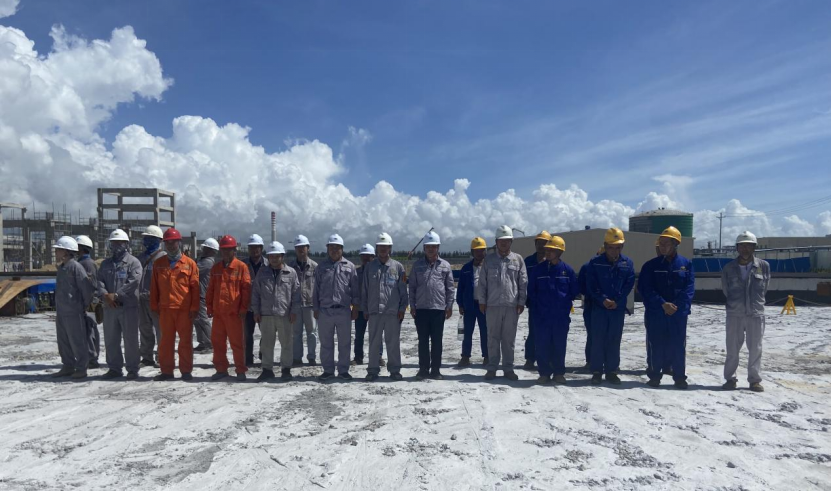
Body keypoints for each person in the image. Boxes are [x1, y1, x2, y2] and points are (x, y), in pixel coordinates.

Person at [638, 227, 695, 390]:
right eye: (661, 244)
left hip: (678, 313)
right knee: (656, 344)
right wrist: (662, 304)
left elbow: (689, 289)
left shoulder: (685, 265)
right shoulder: (650, 266)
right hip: (657, 312)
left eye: (666, 243)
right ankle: (655, 375)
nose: (663, 247)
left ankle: (679, 377)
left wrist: (675, 306)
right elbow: (645, 289)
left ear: (676, 244)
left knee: (678, 345)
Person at [721, 231, 770, 393]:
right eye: (742, 245)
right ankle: (730, 379)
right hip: (734, 313)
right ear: (737, 248)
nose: (745, 249)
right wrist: (737, 304)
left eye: (749, 245)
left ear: (754, 247)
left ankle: (754, 380)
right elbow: (726, 289)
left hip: (755, 313)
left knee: (755, 348)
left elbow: (765, 288)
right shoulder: (729, 268)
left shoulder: (763, 266)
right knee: (732, 348)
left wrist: (754, 304)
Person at [477, 225, 528, 382]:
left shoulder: (518, 260)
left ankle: (508, 368)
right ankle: (492, 368)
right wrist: (482, 301)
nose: (504, 243)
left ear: (511, 241)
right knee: (492, 338)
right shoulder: (489, 260)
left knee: (508, 339)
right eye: (501, 240)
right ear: (496, 242)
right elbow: (482, 283)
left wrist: (521, 302)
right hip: (492, 306)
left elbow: (523, 282)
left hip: (511, 306)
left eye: (507, 240)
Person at [586, 228, 635, 386]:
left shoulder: (627, 263)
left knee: (614, 339)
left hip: (617, 309)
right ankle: (596, 372)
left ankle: (612, 371)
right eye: (611, 247)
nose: (615, 251)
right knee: (598, 339)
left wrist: (617, 301)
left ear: (622, 247)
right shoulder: (595, 263)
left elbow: (629, 284)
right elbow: (591, 285)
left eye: (618, 247)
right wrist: (602, 299)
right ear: (605, 246)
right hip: (599, 308)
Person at [527, 236, 579, 385]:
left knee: (559, 345)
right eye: (547, 250)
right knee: (542, 344)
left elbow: (574, 291)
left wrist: (563, 306)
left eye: (552, 250)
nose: (548, 252)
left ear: (560, 252)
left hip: (560, 317)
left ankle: (558, 373)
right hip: (541, 316)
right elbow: (531, 291)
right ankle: (544, 373)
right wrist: (538, 307)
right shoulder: (538, 270)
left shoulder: (567, 270)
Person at [150, 228, 200, 381]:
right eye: (168, 242)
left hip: (184, 310)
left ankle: (186, 371)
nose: (171, 245)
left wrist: (194, 307)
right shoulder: (158, 264)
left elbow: (195, 288)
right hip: (165, 310)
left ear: (179, 242)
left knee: (185, 341)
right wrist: (154, 306)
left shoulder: (190, 264)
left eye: (173, 242)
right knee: (165, 342)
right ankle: (167, 371)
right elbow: (154, 287)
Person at [409, 231, 455, 380]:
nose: (430, 249)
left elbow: (450, 288)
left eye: (433, 246)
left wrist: (449, 306)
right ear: (424, 248)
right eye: (428, 246)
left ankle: (435, 370)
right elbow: (412, 288)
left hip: (438, 309)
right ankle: (423, 369)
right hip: (421, 309)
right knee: (422, 341)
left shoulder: (445, 266)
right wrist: (412, 306)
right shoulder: (417, 266)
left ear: (438, 247)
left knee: (437, 341)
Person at [361, 233, 408, 382]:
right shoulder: (370, 267)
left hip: (392, 312)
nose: (383, 249)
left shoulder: (398, 267)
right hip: (374, 312)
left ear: (390, 248)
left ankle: (395, 370)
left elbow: (403, 290)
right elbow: (365, 290)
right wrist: (365, 309)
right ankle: (372, 370)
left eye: (385, 246)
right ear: (376, 248)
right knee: (374, 342)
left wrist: (402, 308)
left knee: (393, 343)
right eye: (380, 246)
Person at [313, 234, 360, 381]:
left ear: (342, 249)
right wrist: (316, 308)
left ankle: (343, 370)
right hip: (325, 310)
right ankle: (328, 370)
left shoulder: (350, 267)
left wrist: (355, 308)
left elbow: (355, 290)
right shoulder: (321, 267)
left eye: (337, 247)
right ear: (327, 249)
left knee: (344, 343)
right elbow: (316, 289)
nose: (334, 250)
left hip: (343, 310)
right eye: (331, 247)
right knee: (326, 343)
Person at [252, 241, 301, 381]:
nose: (273, 259)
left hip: (284, 314)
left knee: (287, 343)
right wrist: (256, 311)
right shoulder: (262, 272)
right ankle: (267, 369)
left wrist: (294, 311)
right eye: (271, 256)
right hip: (266, 314)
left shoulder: (291, 273)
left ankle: (286, 370)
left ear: (282, 256)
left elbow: (296, 294)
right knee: (266, 344)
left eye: (276, 256)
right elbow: (255, 293)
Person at [97, 229, 143, 380]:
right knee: (111, 339)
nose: (116, 246)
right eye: (114, 243)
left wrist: (116, 295)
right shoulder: (105, 264)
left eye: (120, 243)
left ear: (127, 244)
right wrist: (105, 295)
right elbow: (99, 281)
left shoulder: (133, 263)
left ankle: (132, 369)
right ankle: (114, 368)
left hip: (128, 307)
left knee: (130, 340)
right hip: (110, 308)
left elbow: (133, 282)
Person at [207, 235, 253, 382]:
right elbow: (211, 289)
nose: (226, 252)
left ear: (234, 250)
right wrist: (209, 307)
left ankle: (240, 370)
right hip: (218, 313)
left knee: (237, 344)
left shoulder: (241, 267)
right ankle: (221, 369)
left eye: (229, 249)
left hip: (234, 314)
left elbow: (246, 289)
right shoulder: (216, 268)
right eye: (223, 250)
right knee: (218, 343)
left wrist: (243, 308)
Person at [52, 237, 95, 379]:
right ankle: (68, 366)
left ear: (66, 251)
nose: (56, 252)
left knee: (77, 341)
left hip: (74, 312)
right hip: (62, 311)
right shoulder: (62, 268)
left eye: (58, 249)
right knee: (63, 341)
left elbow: (86, 289)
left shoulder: (76, 267)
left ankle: (81, 368)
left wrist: (83, 306)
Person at [456, 237, 489, 367]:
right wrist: (460, 304)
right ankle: (465, 356)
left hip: (484, 306)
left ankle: (487, 356)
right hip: (469, 305)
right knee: (467, 332)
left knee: (485, 332)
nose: (479, 253)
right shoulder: (466, 268)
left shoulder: (489, 267)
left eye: (481, 250)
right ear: (472, 252)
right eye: (476, 251)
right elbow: (461, 288)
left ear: (485, 251)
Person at [138, 225, 167, 368]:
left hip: (157, 300)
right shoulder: (140, 258)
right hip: (141, 299)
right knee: (145, 329)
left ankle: (162, 357)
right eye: (146, 238)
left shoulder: (164, 258)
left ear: (159, 241)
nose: (147, 241)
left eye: (151, 238)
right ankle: (146, 357)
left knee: (161, 330)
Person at [288, 235, 318, 367]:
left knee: (312, 333)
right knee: (296, 334)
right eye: (298, 247)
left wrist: (317, 306)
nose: (301, 249)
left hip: (310, 305)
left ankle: (311, 357)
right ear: (295, 249)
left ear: (308, 248)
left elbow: (319, 287)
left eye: (303, 247)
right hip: (295, 305)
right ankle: (297, 358)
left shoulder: (315, 267)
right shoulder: (290, 267)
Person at [523, 231, 552, 370]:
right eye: (539, 243)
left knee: (550, 333)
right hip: (534, 303)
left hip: (550, 304)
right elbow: (522, 282)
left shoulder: (553, 261)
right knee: (533, 332)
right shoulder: (528, 262)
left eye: (544, 243)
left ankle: (549, 359)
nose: (541, 246)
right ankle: (530, 358)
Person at [193, 238, 219, 354]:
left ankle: (210, 343)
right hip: (197, 294)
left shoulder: (207, 262)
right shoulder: (203, 260)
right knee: (197, 320)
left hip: (201, 294)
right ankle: (202, 342)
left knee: (203, 320)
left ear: (211, 251)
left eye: (206, 248)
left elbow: (193, 271)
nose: (203, 250)